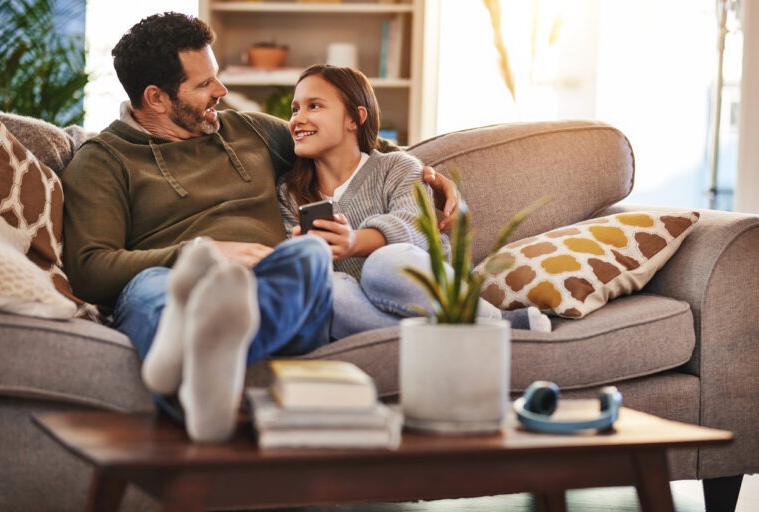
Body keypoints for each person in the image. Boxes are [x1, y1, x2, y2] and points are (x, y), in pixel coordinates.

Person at [61, 13, 459, 443]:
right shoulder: (103, 159)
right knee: (155, 289)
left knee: (308, 255)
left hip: (270, 278)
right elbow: (90, 268)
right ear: (156, 98)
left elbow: (343, 136)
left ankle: (185, 364)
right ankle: (199, 366)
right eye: (203, 85)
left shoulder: (247, 130)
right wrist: (200, 253)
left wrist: (424, 172)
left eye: (216, 77)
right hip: (175, 278)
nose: (221, 91)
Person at [277, 65, 551, 338]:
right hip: (365, 311)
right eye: (295, 109)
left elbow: (416, 229)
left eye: (314, 106)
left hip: (422, 291)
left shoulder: (398, 167)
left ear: (354, 118)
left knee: (384, 262)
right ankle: (453, 340)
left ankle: (497, 322)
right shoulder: (289, 193)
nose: (298, 119)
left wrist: (352, 242)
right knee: (327, 290)